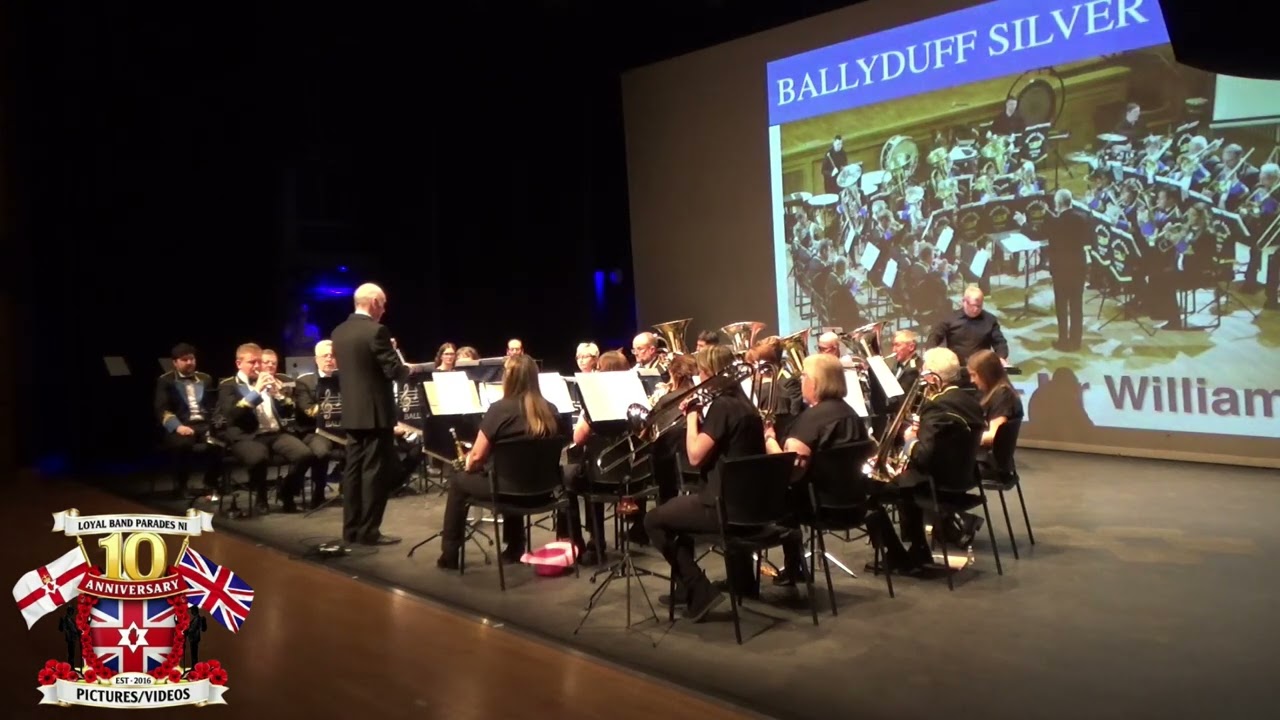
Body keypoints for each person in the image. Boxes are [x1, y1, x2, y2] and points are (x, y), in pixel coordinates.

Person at [643, 345, 763, 622]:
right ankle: (702, 587)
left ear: (711, 374)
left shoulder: (722, 406)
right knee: (678, 513)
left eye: (702, 373)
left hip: (722, 506)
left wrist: (693, 416)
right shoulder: (747, 405)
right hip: (750, 505)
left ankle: (699, 589)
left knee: (654, 520)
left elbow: (695, 456)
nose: (698, 379)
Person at [436, 355, 563, 569]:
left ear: (508, 378)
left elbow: (476, 457)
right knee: (512, 473)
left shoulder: (499, 410)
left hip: (507, 493)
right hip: (544, 492)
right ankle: (515, 547)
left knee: (459, 481)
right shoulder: (551, 409)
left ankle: (449, 554)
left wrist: (468, 466)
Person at [866, 348, 986, 572]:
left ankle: (896, 554)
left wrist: (911, 439)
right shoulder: (970, 401)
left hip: (937, 485)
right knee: (904, 483)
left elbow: (922, 455)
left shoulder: (937, 404)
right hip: (964, 479)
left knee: (870, 490)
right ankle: (919, 550)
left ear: (932, 376)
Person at [330, 283, 430, 546]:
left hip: (352, 412)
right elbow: (393, 371)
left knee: (353, 470)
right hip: (375, 413)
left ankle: (350, 529)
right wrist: (407, 368)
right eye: (383, 304)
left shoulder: (338, 332)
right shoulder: (377, 331)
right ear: (374, 302)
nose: (384, 310)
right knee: (374, 471)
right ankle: (368, 531)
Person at [763, 353, 866, 584]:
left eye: (804, 377)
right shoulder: (852, 414)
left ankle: (794, 568)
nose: (801, 382)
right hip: (855, 502)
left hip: (820, 505)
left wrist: (769, 439)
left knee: (777, 495)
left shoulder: (811, 419)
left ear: (816, 383)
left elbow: (789, 470)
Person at [1014, 189, 1091, 350]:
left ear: (1057, 204)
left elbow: (1036, 235)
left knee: (1062, 306)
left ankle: (1063, 340)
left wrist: (1022, 223)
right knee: (1076, 306)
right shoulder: (1083, 218)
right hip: (1079, 267)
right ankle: (1076, 341)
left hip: (1061, 270)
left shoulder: (1054, 223)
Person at [967, 349, 1024, 476]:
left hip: (989, 464)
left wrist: (965, 439)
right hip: (989, 459)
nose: (971, 380)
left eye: (974, 375)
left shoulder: (1003, 396)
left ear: (986, 374)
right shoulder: (997, 392)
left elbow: (994, 436)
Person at [926, 286, 1009, 367]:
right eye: (973, 305)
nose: (976, 309)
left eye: (979, 306)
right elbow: (934, 337)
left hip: (982, 369)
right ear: (964, 302)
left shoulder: (990, 320)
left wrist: (1001, 357)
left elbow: (999, 342)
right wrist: (930, 358)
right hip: (957, 368)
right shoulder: (949, 318)